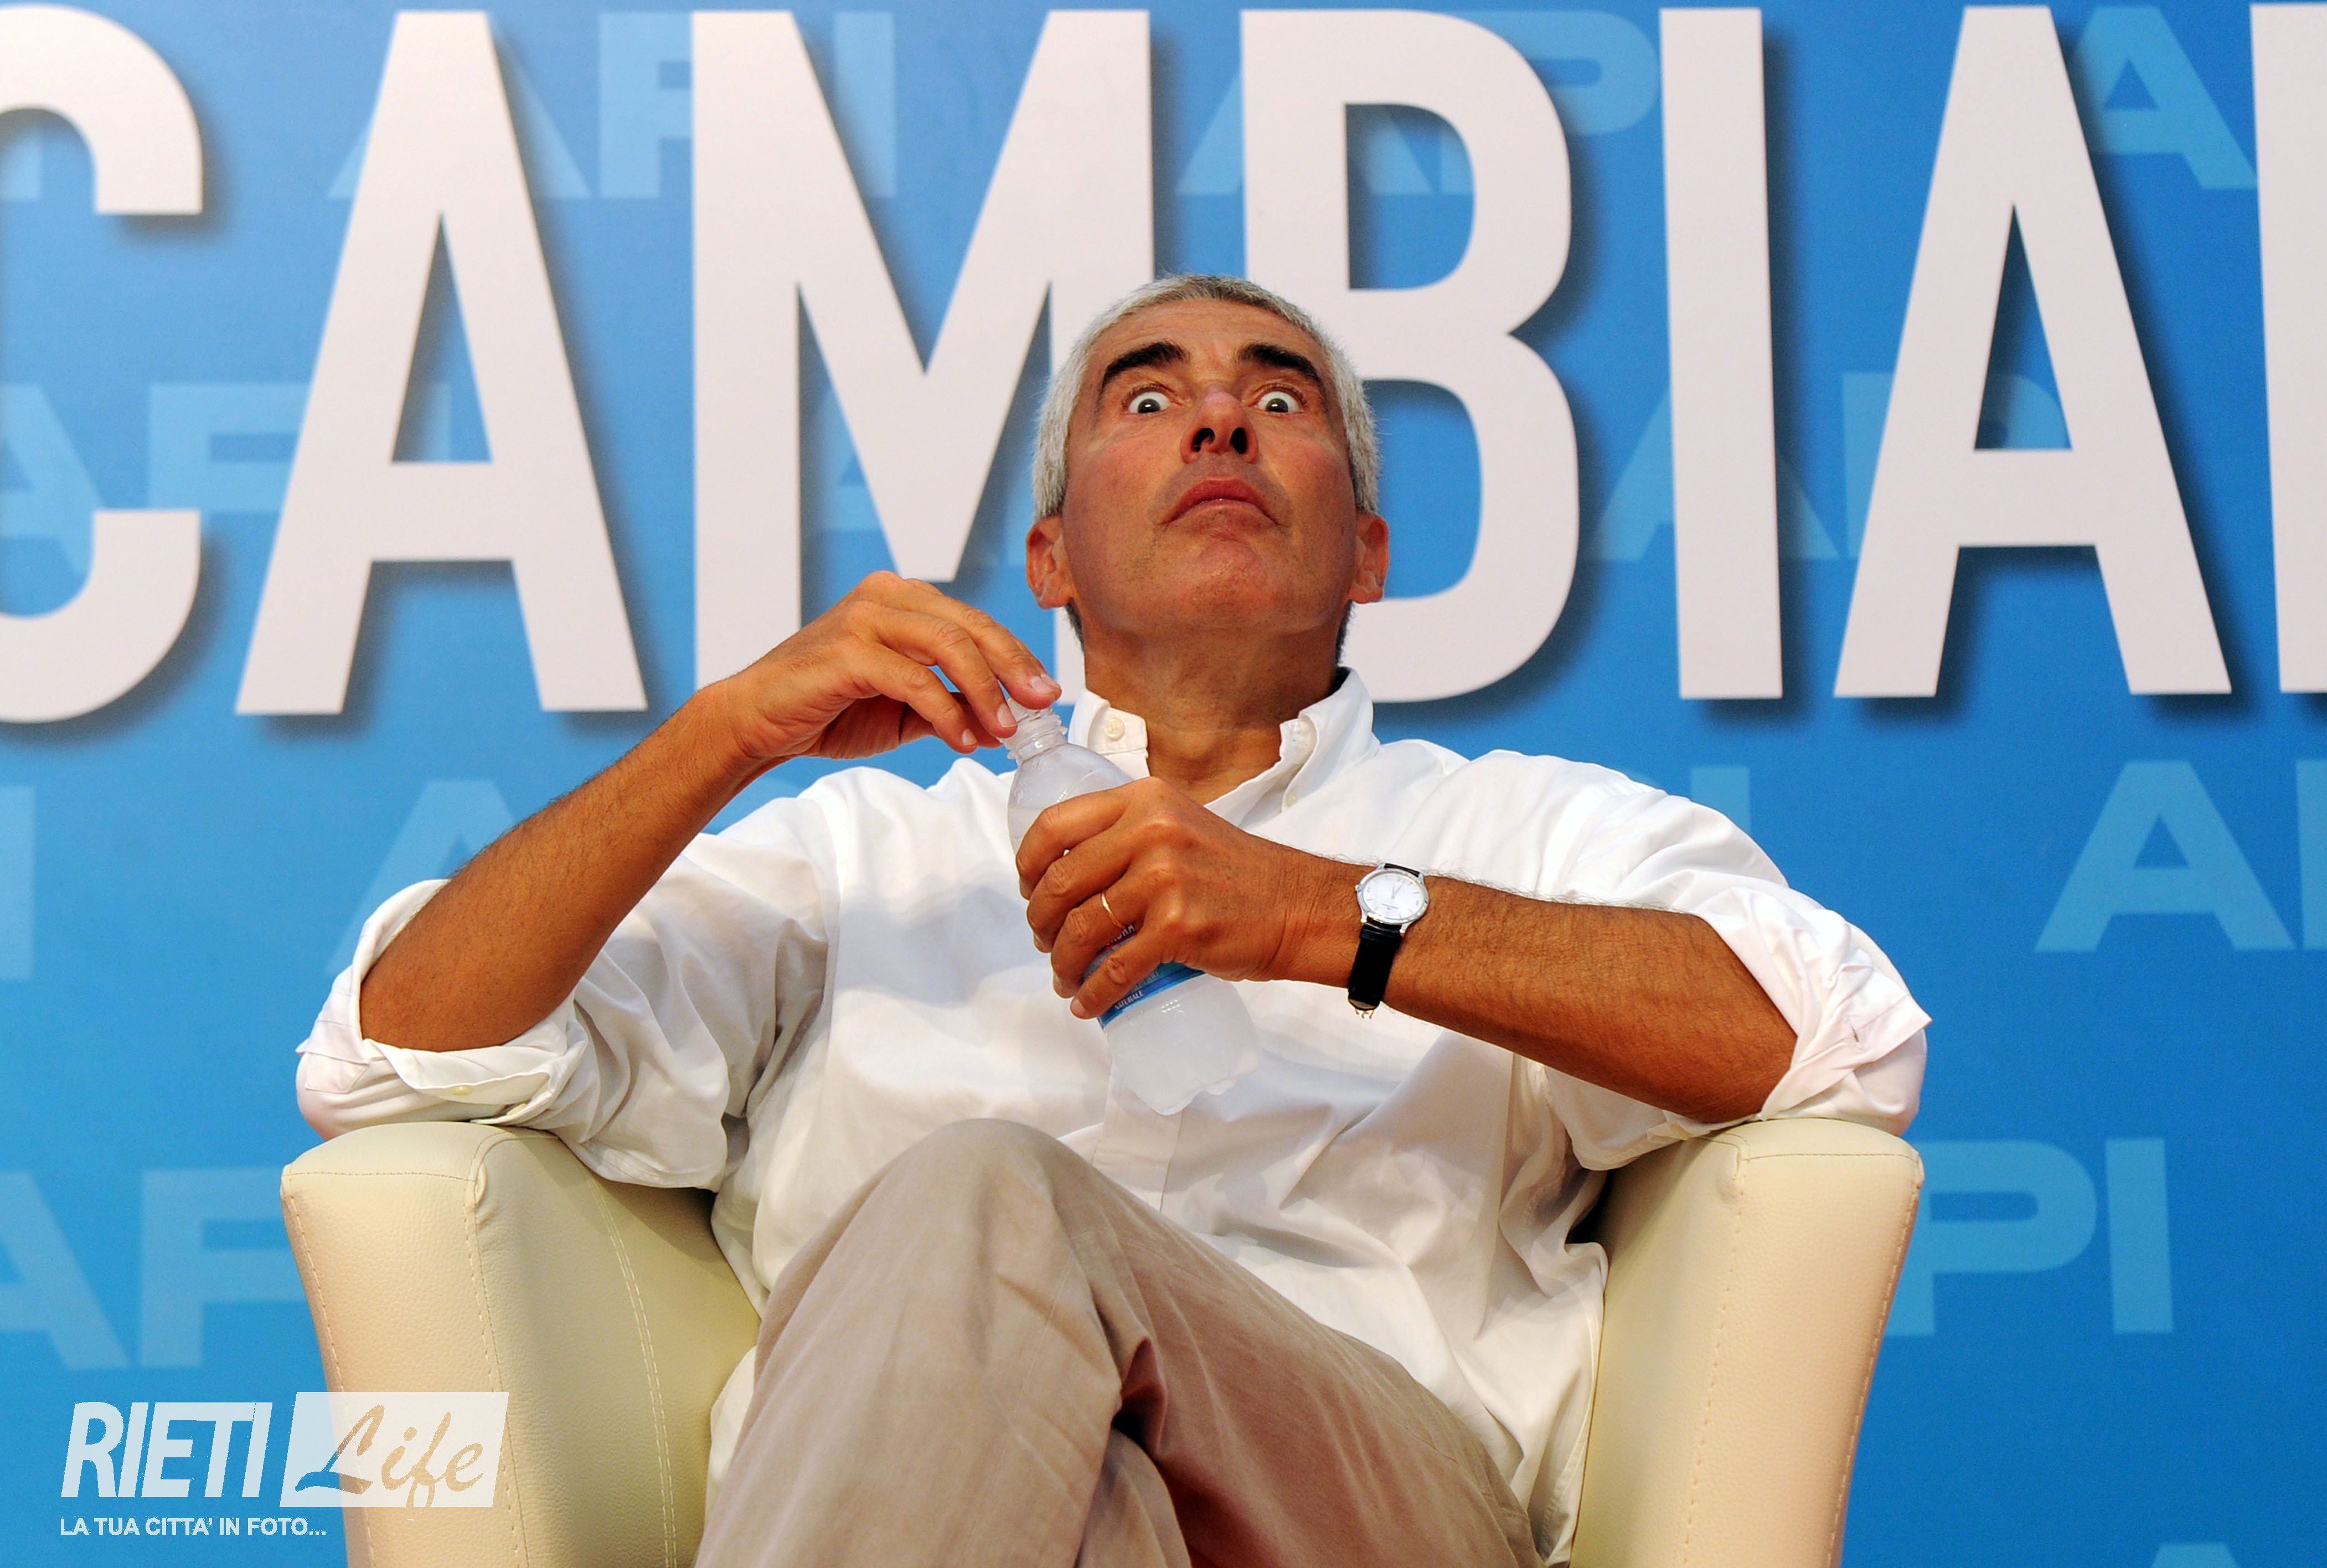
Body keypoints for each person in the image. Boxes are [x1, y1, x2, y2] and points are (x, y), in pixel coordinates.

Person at [296, 274, 1926, 1567]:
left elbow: (1825, 1041)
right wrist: (721, 734)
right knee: (1086, 1509)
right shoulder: (861, 856)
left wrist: (1325, 918)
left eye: (1279, 401)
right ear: (1052, 556)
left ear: (1367, 555)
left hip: (1372, 1511)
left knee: (988, 1197)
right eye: (1148, 399)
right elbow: (398, 1051)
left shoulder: (1525, 832)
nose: (1219, 419)